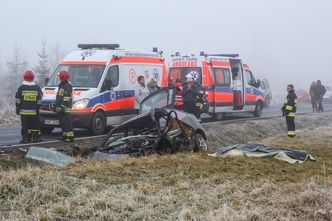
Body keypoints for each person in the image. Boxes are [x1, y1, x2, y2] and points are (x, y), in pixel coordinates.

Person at [15, 70, 43, 143]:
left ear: (24, 77)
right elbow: (39, 100)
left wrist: (17, 108)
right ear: (33, 78)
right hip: (34, 112)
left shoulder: (21, 88)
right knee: (35, 125)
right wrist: (37, 108)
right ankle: (35, 138)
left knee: (25, 126)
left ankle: (26, 138)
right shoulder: (37, 88)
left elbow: (18, 100)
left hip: (24, 112)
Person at [54, 70, 74, 142]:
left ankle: (70, 137)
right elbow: (59, 97)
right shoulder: (62, 85)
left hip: (65, 108)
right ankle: (65, 135)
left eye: (59, 77)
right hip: (61, 108)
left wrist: (62, 107)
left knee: (67, 122)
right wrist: (56, 107)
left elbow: (66, 98)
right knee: (62, 122)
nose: (59, 78)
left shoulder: (68, 86)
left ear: (62, 77)